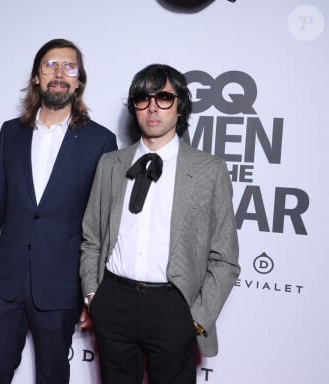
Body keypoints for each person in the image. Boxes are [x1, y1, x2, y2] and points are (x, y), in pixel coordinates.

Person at [0, 38, 117, 384]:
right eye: (50, 65)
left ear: (79, 81)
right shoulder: (11, 132)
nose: (59, 73)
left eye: (70, 66)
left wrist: (94, 292)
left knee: (52, 376)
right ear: (36, 77)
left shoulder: (101, 141)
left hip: (62, 285)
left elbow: (104, 225)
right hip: (5, 282)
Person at [80, 64, 240, 384]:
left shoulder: (209, 170)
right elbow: (92, 237)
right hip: (114, 302)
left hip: (174, 307)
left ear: (180, 106)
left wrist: (196, 320)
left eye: (164, 97)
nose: (153, 106)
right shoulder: (111, 164)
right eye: (143, 97)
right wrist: (93, 295)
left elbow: (225, 259)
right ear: (134, 107)